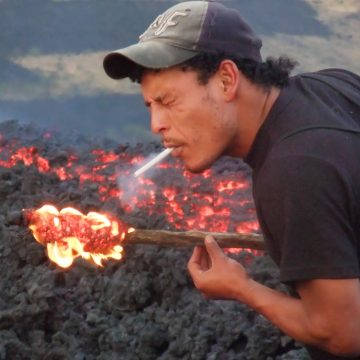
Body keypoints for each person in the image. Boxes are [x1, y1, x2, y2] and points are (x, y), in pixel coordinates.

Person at [103, 1, 360, 358]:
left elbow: (343, 333)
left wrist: (242, 288)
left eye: (168, 100)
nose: (156, 124)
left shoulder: (293, 171)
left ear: (226, 80)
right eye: (150, 106)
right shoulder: (331, 85)